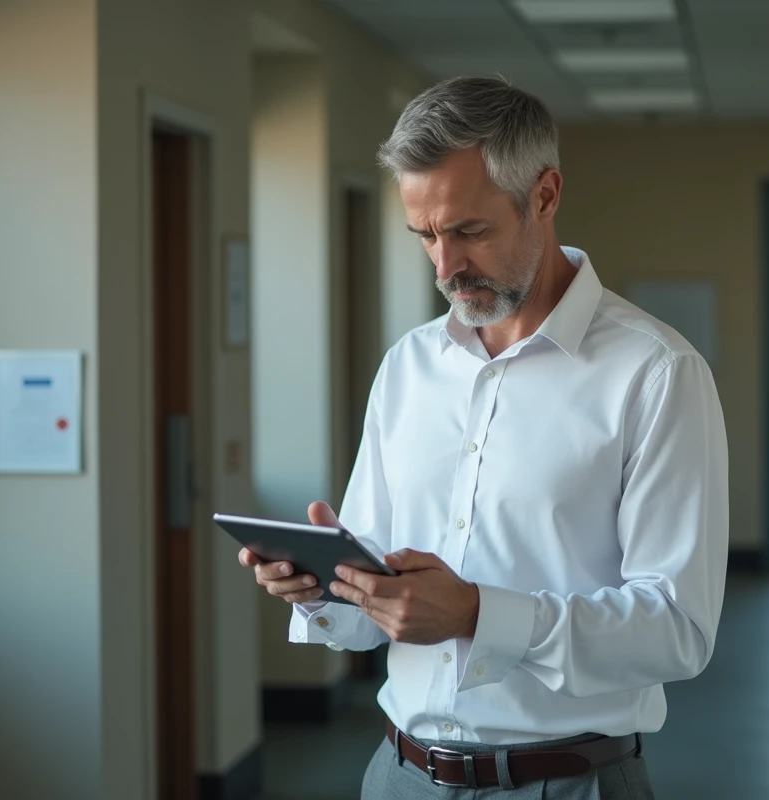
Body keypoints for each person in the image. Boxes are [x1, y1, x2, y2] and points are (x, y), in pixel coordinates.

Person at [239, 75, 729, 799]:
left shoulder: (656, 374)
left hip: (566, 782)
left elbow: (677, 628)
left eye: (468, 231)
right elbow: (377, 614)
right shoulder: (407, 367)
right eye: (425, 236)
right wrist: (325, 586)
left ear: (545, 195)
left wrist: (478, 613)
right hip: (397, 775)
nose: (445, 266)